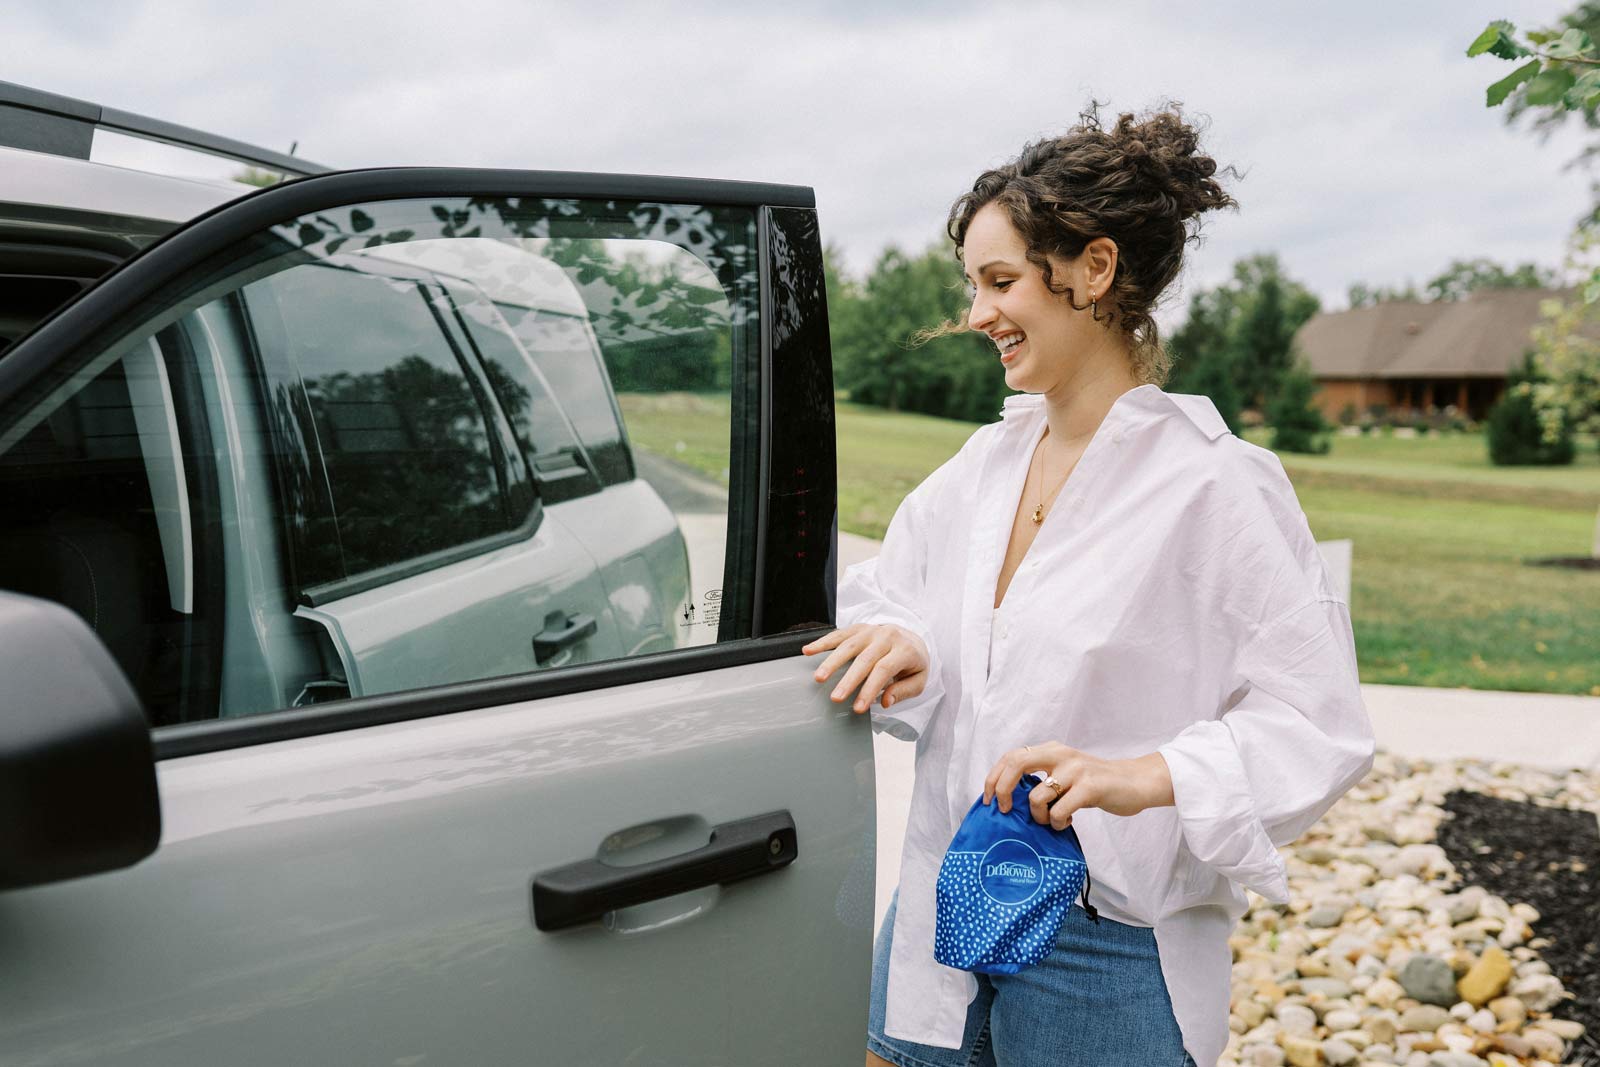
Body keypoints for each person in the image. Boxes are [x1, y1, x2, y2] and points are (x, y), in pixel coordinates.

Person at [801, 101, 1377, 1067]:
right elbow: (898, 596)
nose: (977, 314)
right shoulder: (980, 469)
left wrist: (1147, 775)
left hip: (1102, 942)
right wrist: (908, 643)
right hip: (946, 889)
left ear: (1095, 269)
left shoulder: (1216, 486)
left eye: (1001, 282)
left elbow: (1318, 720)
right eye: (974, 285)